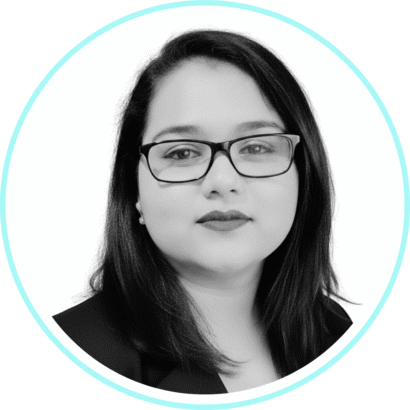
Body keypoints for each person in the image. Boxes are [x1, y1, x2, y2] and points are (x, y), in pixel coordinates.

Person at [54, 29, 352, 394]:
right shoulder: (70, 353)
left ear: (303, 175)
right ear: (134, 189)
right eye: (182, 153)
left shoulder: (335, 331)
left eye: (257, 147)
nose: (223, 182)